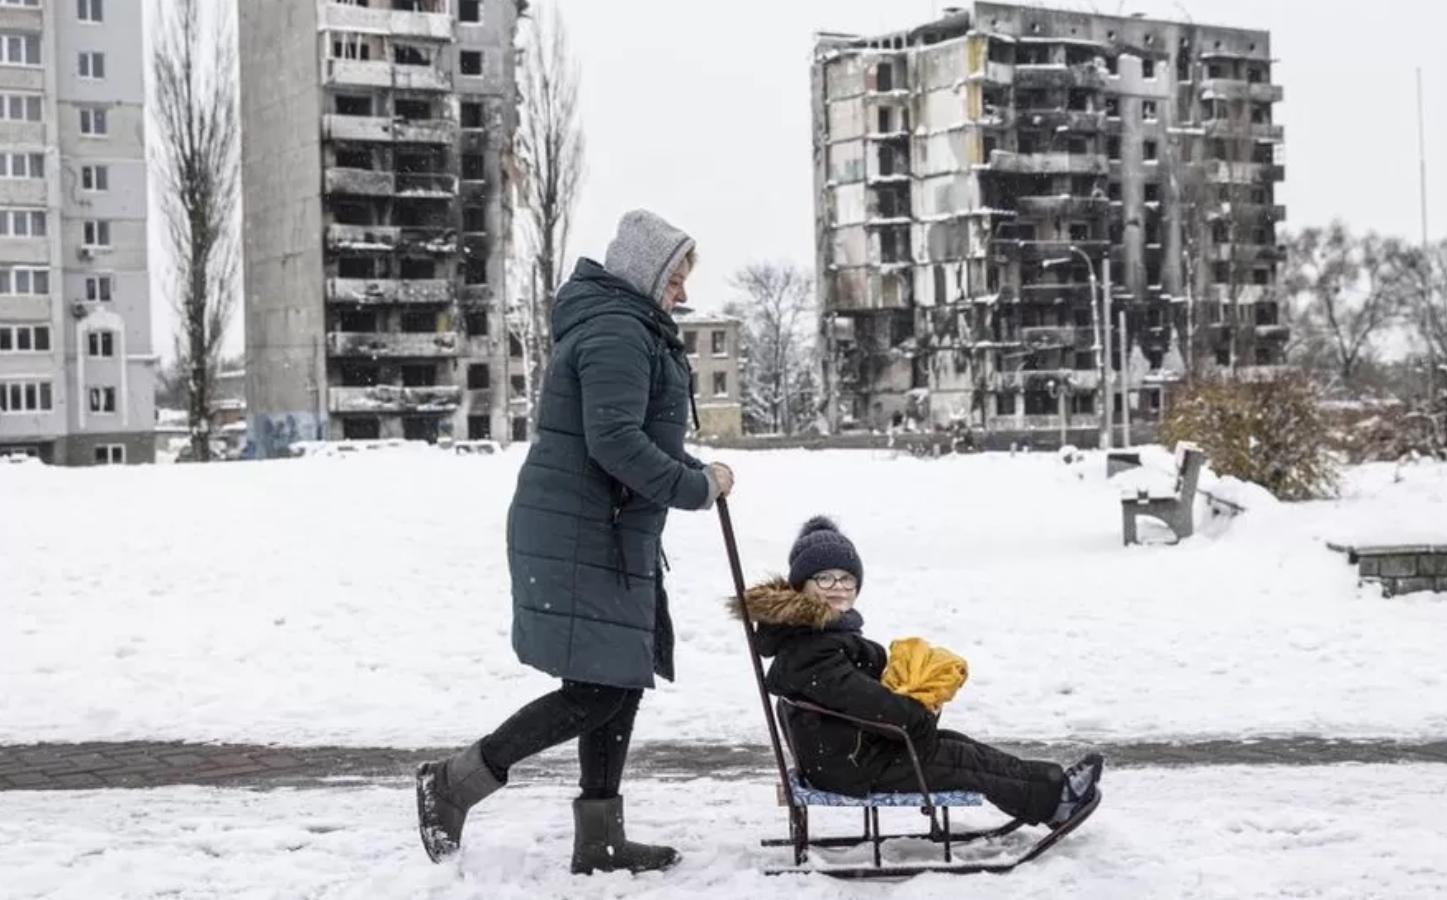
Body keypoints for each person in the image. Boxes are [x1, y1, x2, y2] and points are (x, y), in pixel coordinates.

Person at [416, 210, 735, 874]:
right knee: (599, 689)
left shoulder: (627, 322)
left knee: (617, 679)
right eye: (674, 279)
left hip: (601, 525)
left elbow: (632, 431)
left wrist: (686, 474)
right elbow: (614, 441)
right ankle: (452, 783)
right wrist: (696, 485)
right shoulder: (619, 328)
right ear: (646, 271)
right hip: (583, 528)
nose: (679, 293)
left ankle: (600, 837)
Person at [734, 516, 1103, 830]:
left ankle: (1051, 788)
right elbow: (863, 700)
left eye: (847, 579)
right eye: (825, 579)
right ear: (802, 585)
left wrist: (916, 690)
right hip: (852, 765)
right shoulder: (811, 645)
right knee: (956, 760)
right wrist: (917, 715)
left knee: (957, 745)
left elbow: (862, 693)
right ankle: (1056, 802)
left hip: (851, 751)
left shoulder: (818, 633)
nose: (838, 588)